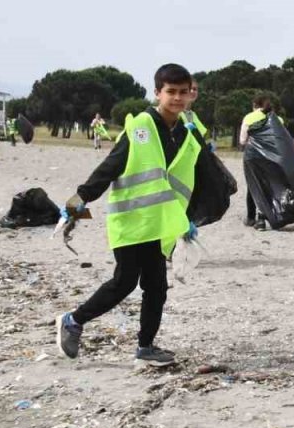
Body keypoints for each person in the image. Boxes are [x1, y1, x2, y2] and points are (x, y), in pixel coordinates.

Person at [54, 63, 211, 367]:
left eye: (183, 92)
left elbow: (190, 177)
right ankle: (73, 320)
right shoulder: (142, 126)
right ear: (157, 92)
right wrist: (78, 201)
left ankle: (146, 347)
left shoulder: (186, 131)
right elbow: (111, 166)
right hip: (129, 219)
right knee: (124, 282)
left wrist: (189, 217)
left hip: (159, 223)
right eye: (171, 92)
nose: (177, 98)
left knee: (157, 286)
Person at [238, 95, 282, 231]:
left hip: (253, 157)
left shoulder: (249, 117)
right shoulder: (278, 119)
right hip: (271, 157)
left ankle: (251, 218)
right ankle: (264, 217)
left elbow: (242, 140)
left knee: (253, 185)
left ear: (254, 105)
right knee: (268, 185)